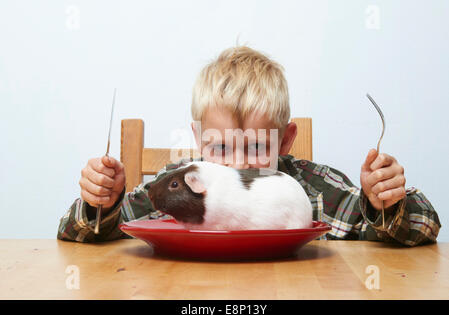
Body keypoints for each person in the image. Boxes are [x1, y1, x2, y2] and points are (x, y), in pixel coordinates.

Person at [57, 46, 440, 246]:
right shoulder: (179, 185)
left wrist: (384, 202)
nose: (237, 163)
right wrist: (101, 204)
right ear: (197, 141)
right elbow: (82, 233)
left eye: (256, 146)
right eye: (220, 148)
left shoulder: (313, 188)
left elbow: (424, 227)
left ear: (286, 141)